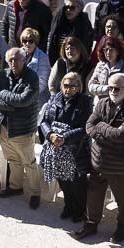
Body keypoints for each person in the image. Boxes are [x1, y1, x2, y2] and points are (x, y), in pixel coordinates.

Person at [71, 72, 124, 243]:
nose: (113, 91)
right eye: (110, 87)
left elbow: (121, 136)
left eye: (117, 88)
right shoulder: (102, 103)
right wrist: (107, 131)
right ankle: (91, 223)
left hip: (119, 164)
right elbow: (89, 126)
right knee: (94, 195)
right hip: (98, 161)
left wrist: (100, 127)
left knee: (122, 199)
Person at [39, 73, 93, 222]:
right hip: (56, 149)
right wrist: (50, 135)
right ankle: (68, 206)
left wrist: (65, 138)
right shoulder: (54, 99)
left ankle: (79, 210)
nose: (68, 89)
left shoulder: (85, 102)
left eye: (72, 86)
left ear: (79, 87)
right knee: (63, 180)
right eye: (65, 85)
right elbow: (44, 121)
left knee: (77, 182)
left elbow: (85, 128)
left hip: (76, 150)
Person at [0, 47, 41, 207]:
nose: (14, 62)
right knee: (12, 159)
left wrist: (3, 94)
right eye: (10, 59)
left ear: (24, 59)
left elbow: (23, 100)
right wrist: (9, 105)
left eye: (17, 59)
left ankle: (35, 193)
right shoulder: (3, 74)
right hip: (4, 126)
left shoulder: (32, 77)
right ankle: (15, 186)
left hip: (23, 129)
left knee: (29, 162)